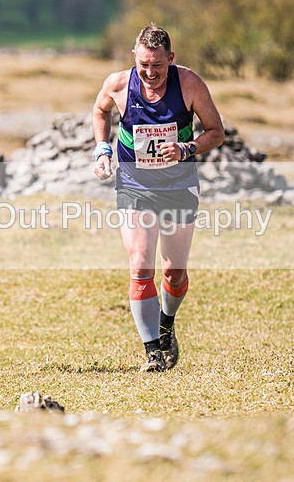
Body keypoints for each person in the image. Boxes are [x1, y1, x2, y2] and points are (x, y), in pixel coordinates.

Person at [91, 24, 225, 372]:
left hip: (179, 185)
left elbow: (216, 132)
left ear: (171, 59)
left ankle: (166, 322)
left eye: (158, 66)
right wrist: (102, 149)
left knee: (174, 272)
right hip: (135, 185)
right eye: (144, 65)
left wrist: (186, 148)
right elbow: (100, 111)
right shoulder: (118, 84)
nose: (150, 74)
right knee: (139, 266)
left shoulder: (190, 84)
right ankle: (153, 352)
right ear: (135, 58)